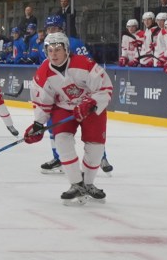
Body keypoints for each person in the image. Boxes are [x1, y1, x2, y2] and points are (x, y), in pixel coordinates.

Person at [26, 30, 112, 203]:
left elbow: (105, 88)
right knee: (62, 141)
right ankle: (76, 184)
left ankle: (87, 183)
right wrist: (37, 124)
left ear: (66, 49)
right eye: (50, 50)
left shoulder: (84, 64)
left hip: (91, 108)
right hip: (63, 109)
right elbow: (43, 102)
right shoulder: (43, 72)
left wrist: (90, 103)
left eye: (57, 49)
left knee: (96, 148)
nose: (54, 54)